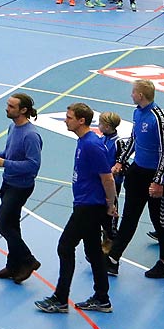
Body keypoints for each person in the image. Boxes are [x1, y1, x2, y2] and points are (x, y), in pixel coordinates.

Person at [35, 103, 117, 314]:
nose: (65, 120)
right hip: (85, 203)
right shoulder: (84, 141)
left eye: (69, 117)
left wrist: (111, 204)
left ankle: (61, 299)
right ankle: (102, 298)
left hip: (89, 206)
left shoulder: (92, 144)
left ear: (82, 120)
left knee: (65, 246)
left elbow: (107, 177)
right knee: (93, 251)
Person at [107, 79, 164, 279]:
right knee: (129, 218)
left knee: (159, 221)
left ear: (141, 95)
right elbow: (134, 139)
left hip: (154, 176)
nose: (131, 95)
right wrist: (121, 160)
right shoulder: (138, 112)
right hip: (137, 172)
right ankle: (112, 260)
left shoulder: (159, 119)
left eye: (133, 92)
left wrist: (158, 180)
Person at [0, 93, 43, 283]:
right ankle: (13, 266)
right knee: (13, 225)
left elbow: (33, 165)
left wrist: (5, 163)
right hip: (8, 182)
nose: (7, 108)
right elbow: (9, 153)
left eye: (11, 106)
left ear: (23, 110)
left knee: (1, 223)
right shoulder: (13, 127)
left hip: (21, 186)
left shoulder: (31, 135)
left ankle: (29, 260)